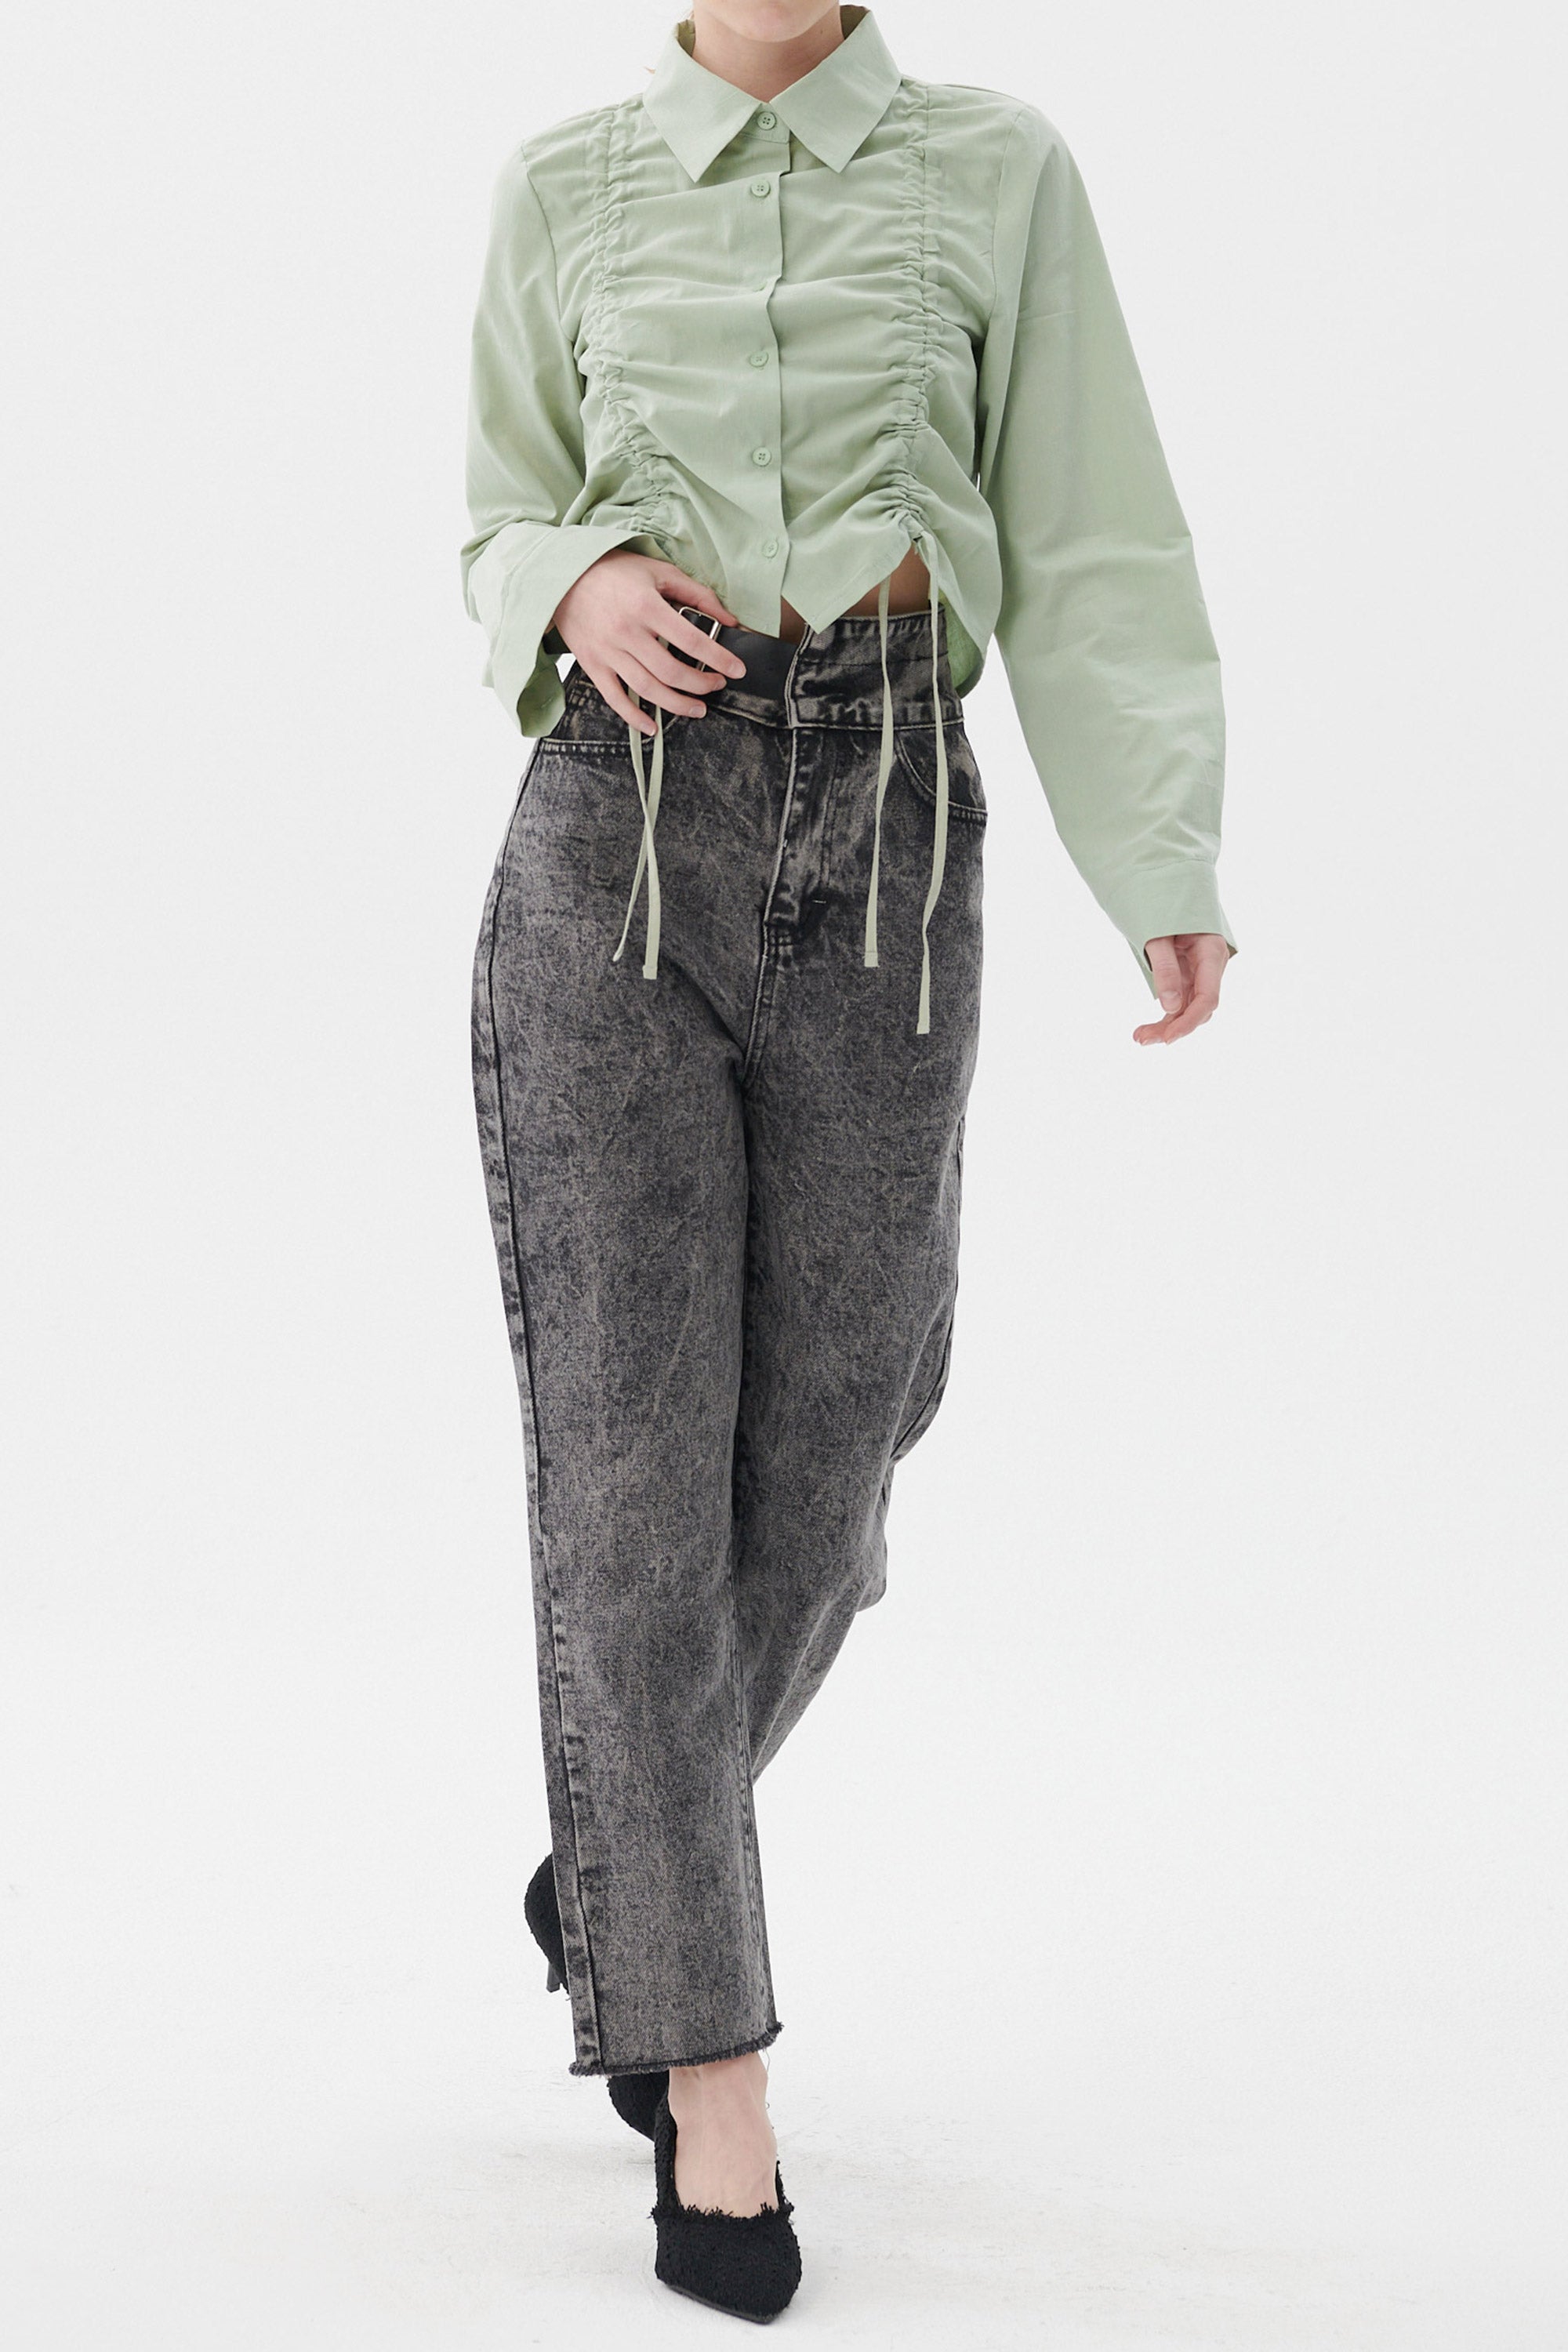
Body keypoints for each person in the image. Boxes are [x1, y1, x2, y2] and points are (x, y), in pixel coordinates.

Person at [460, 1, 1236, 2318]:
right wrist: (570, 580)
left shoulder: (1001, 168)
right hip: (615, 848)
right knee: (627, 1467)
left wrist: (1159, 850)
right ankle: (712, 2074)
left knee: (852, 1417)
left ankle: (629, 1865)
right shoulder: (564, 182)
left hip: (893, 830)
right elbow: (498, 507)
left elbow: (1090, 532)